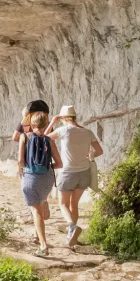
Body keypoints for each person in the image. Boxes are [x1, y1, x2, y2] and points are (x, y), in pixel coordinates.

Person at [46, 104, 103, 248]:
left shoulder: (63, 130)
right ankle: (73, 238)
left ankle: (72, 227)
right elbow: (99, 151)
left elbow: (44, 138)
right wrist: (90, 155)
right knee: (74, 204)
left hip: (68, 173)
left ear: (64, 118)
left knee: (63, 204)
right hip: (84, 174)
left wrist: (53, 122)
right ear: (75, 117)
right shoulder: (88, 132)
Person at [18, 111, 62, 256]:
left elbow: (20, 161)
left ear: (31, 124)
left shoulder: (24, 137)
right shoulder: (49, 140)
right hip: (47, 178)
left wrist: (21, 173)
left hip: (30, 177)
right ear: (45, 124)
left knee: (35, 211)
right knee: (39, 204)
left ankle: (43, 245)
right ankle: (43, 207)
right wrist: (47, 167)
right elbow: (59, 164)